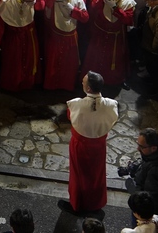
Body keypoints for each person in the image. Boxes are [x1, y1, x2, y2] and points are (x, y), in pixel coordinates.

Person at [62, 71, 119, 217]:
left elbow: (71, 118)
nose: (82, 82)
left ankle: (77, 204)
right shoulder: (111, 105)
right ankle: (94, 204)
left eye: (84, 81)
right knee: (96, 175)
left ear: (88, 89)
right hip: (99, 146)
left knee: (78, 176)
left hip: (80, 146)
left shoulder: (75, 104)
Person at [0, 0, 41, 92]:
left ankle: (27, 83)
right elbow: (0, 25)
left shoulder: (30, 0)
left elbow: (41, 7)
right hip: (13, 38)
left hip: (28, 36)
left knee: (28, 61)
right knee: (14, 62)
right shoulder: (6, 2)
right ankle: (13, 84)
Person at [122, 128, 158, 221]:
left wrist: (135, 193)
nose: (138, 149)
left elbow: (152, 200)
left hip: (144, 215)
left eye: (142, 147)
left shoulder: (155, 170)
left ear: (153, 148)